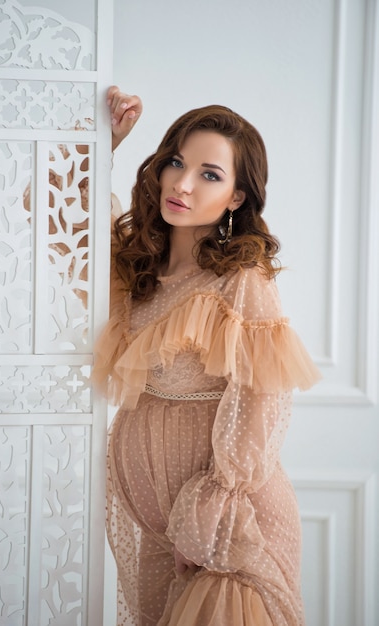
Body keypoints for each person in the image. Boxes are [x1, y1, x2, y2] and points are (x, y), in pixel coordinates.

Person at [93, 86, 321, 626]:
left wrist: (209, 515)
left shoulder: (240, 280)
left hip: (227, 525)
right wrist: (102, 145)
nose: (183, 183)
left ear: (238, 197)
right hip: (157, 526)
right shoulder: (138, 271)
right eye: (176, 162)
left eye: (210, 174)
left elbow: (263, 404)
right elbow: (50, 219)